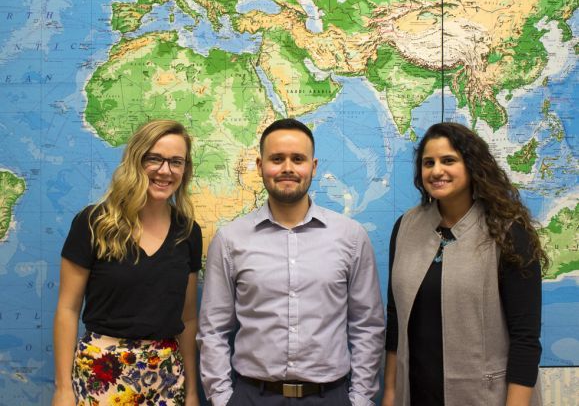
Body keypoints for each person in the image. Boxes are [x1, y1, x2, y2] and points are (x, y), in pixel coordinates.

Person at [197, 118, 385, 406]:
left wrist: (360, 399)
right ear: (260, 166)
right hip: (251, 396)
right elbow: (214, 330)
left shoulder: (350, 237)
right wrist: (222, 399)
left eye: (298, 159)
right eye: (277, 159)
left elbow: (367, 325)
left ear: (313, 166)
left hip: (331, 397)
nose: (287, 168)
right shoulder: (230, 240)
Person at [382, 122, 548, 406]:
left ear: (472, 166)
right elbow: (396, 319)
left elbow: (525, 339)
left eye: (449, 160)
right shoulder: (406, 226)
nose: (436, 171)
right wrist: (389, 393)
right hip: (416, 394)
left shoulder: (509, 232)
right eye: (428, 163)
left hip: (486, 397)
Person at [51, 119, 202, 406]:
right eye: (154, 159)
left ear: (185, 169)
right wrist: (63, 389)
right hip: (101, 375)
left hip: (167, 381)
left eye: (176, 162)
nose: (165, 171)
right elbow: (67, 309)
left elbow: (188, 318)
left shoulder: (188, 233)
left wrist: (193, 392)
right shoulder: (94, 223)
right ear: (136, 160)